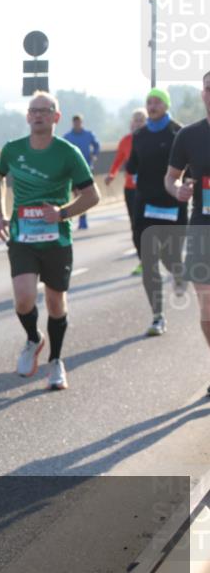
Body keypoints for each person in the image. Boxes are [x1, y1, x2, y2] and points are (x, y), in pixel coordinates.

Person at [0, 91, 100, 391]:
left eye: (45, 110)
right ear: (27, 116)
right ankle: (33, 338)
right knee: (23, 298)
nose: (38, 115)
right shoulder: (13, 150)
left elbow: (92, 195)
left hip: (56, 240)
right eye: (33, 110)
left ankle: (56, 361)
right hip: (23, 236)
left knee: (55, 303)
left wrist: (63, 213)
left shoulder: (68, 153)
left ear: (56, 117)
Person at [125, 88, 186, 336]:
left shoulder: (178, 132)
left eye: (157, 102)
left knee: (169, 258)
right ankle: (157, 317)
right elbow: (132, 166)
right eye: (148, 102)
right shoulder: (139, 135)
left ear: (166, 105)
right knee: (149, 260)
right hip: (146, 206)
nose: (151, 106)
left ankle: (179, 273)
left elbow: (191, 168)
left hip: (173, 205)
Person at [164, 69, 210, 396]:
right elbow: (171, 177)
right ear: (203, 94)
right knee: (207, 304)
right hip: (204, 224)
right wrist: (177, 189)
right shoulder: (189, 136)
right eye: (209, 88)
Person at [105, 108, 148, 275]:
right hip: (131, 190)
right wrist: (111, 175)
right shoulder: (125, 141)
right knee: (136, 225)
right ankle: (143, 260)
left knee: (150, 223)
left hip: (150, 189)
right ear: (131, 123)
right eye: (135, 120)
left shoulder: (151, 139)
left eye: (141, 120)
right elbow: (118, 161)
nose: (137, 123)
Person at [62, 114, 101, 230]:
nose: (77, 124)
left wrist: (94, 155)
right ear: (73, 123)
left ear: (81, 123)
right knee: (77, 195)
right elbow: (62, 151)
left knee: (84, 195)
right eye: (75, 123)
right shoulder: (67, 137)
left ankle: (82, 220)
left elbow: (97, 145)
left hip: (86, 169)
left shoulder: (88, 134)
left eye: (78, 122)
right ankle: (75, 217)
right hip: (72, 171)